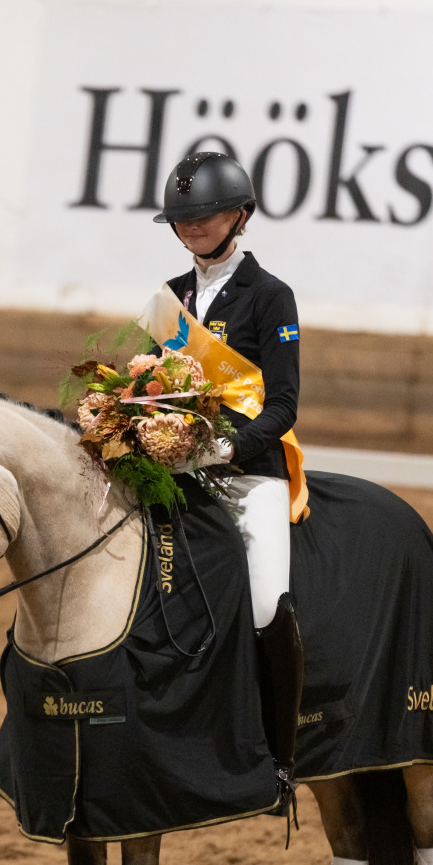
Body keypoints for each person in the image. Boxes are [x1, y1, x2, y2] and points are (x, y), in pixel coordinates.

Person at [151, 151, 304, 780]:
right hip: (175, 475)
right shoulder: (169, 299)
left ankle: (281, 753)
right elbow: (149, 391)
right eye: (184, 220)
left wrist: (228, 449)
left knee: (268, 602)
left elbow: (283, 403)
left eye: (207, 216)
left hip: (248, 474)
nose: (193, 228)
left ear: (241, 215)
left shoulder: (270, 297)